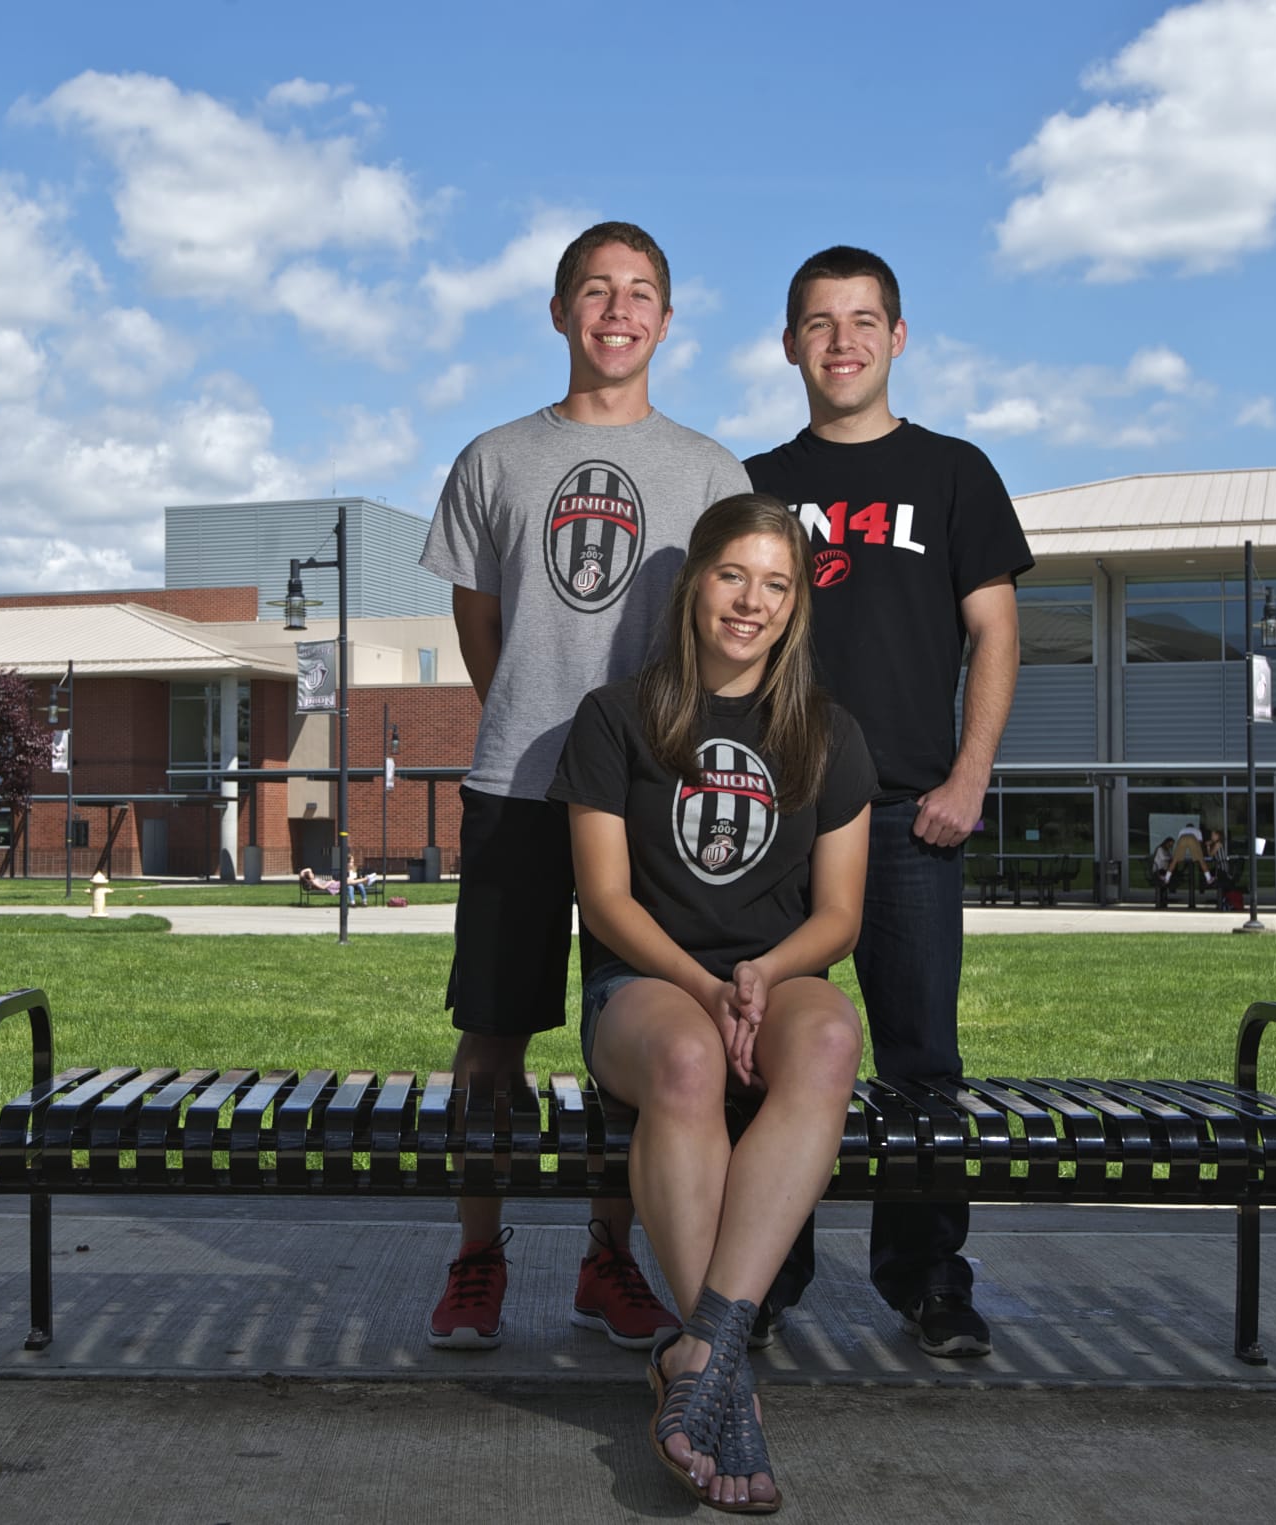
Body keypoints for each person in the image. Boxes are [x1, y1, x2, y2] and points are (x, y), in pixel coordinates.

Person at [418, 221, 752, 1352]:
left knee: (643, 1035)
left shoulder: (710, 469)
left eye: (640, 292)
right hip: (518, 781)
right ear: (559, 313)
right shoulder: (492, 458)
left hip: (651, 791)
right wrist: (527, 705)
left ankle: (608, 1261)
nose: (618, 311)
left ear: (667, 318)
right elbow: (479, 621)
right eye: (596, 291)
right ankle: (476, 1258)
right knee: (493, 1037)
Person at [550, 492, 876, 1512]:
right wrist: (699, 983)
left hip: (772, 976)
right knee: (688, 1061)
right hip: (643, 983)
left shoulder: (825, 731)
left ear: (794, 605)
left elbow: (839, 916)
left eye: (775, 584)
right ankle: (726, 1373)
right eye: (733, 575)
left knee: (829, 1038)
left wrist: (763, 976)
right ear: (693, 584)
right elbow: (601, 899)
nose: (751, 601)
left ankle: (696, 1359)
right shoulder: (618, 718)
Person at [744, 245, 1031, 1358]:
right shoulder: (759, 483)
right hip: (780, 821)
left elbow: (995, 631)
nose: (841, 341)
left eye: (862, 321)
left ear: (897, 337)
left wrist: (969, 777)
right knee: (769, 1052)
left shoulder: (955, 472)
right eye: (818, 322)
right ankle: (763, 1272)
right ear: (789, 345)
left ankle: (926, 1276)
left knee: (920, 1062)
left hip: (912, 814)